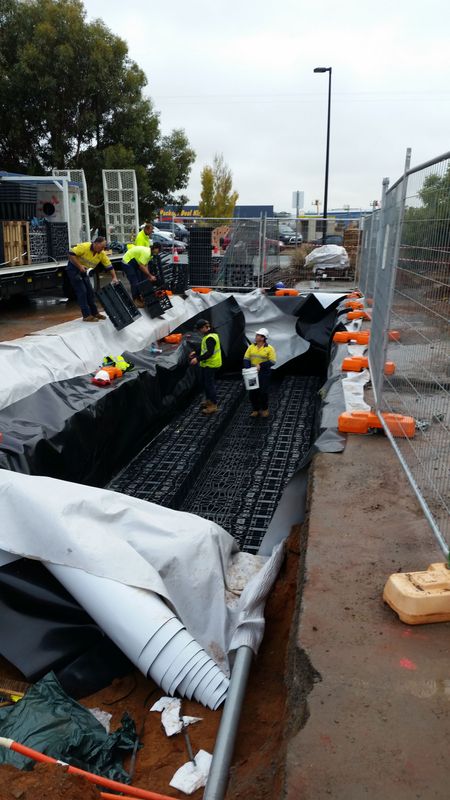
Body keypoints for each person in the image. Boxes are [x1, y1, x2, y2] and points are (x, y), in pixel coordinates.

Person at [66, 237, 118, 322]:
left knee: (90, 292)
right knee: (82, 291)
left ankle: (94, 313)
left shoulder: (101, 253)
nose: (102, 249)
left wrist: (114, 277)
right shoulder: (84, 247)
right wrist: (80, 266)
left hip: (84, 271)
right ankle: (86, 315)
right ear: (96, 244)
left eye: (104, 248)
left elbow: (109, 266)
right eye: (101, 247)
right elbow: (70, 254)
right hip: (74, 269)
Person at [189, 319, 222, 415]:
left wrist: (197, 359)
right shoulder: (211, 335)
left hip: (211, 364)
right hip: (209, 364)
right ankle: (209, 401)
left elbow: (209, 353)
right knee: (207, 383)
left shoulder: (210, 337)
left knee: (209, 384)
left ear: (204, 327)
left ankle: (213, 405)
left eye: (200, 329)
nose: (199, 331)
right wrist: (196, 352)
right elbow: (205, 348)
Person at [243, 328, 276, 418]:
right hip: (252, 373)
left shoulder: (269, 349)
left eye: (258, 335)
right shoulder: (251, 347)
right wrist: (249, 369)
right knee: (253, 392)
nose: (256, 337)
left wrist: (260, 365)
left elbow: (272, 362)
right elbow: (246, 358)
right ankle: (255, 410)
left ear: (263, 338)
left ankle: (265, 409)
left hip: (264, 374)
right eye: (256, 335)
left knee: (263, 392)